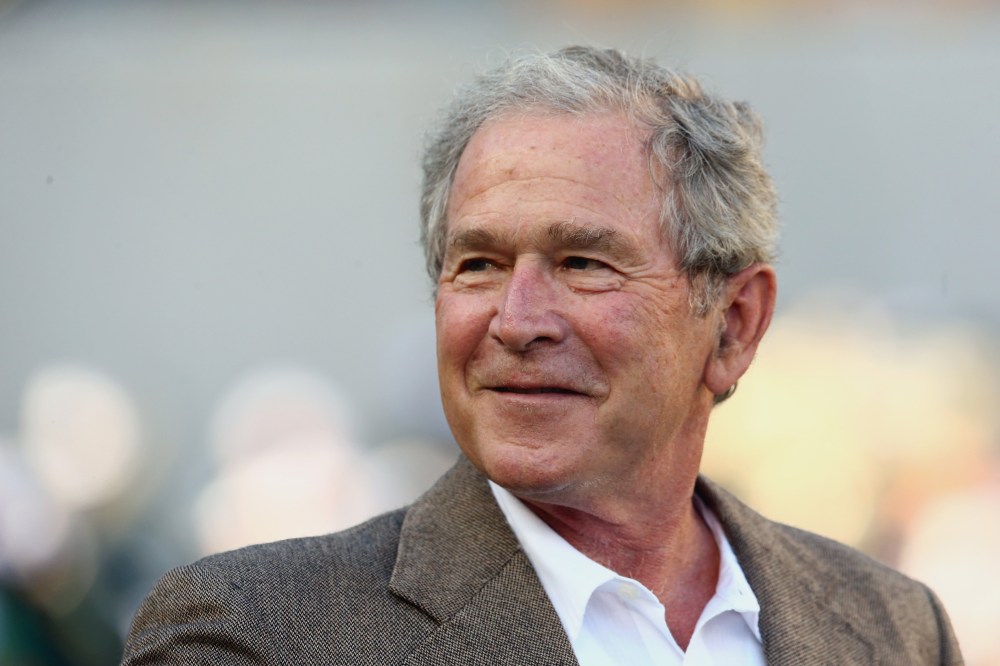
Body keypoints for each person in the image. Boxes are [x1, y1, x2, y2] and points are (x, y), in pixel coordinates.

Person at [121, 46, 963, 665]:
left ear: (734, 324)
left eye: (583, 263)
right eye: (478, 264)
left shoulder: (893, 630)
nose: (516, 321)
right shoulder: (259, 636)